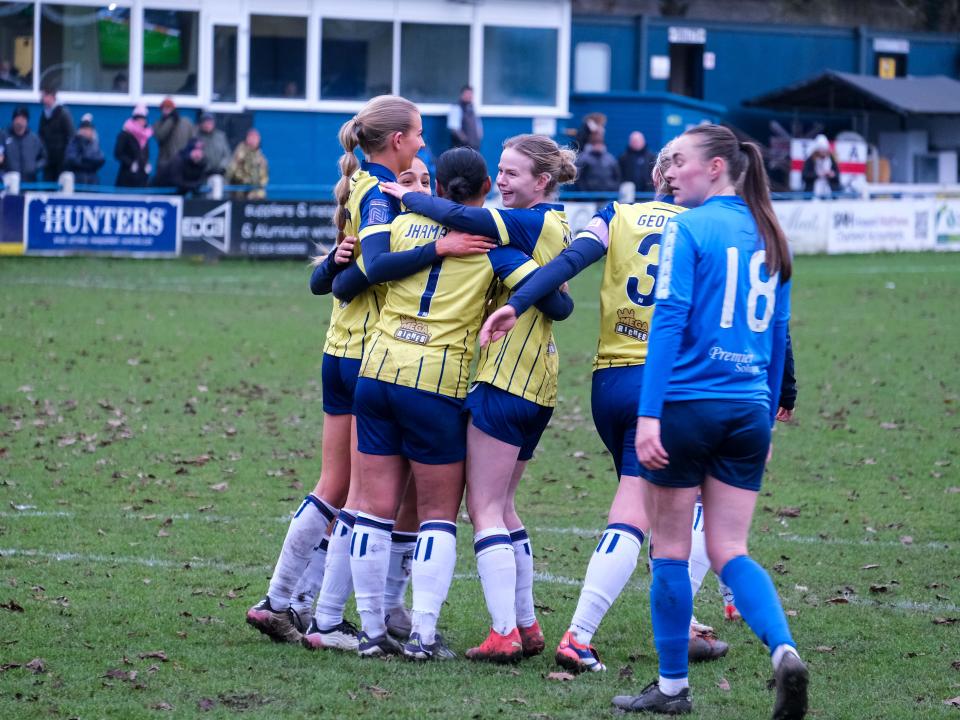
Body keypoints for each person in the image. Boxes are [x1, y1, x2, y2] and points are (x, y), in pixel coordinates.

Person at [332, 146, 573, 662]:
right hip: (436, 383)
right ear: (485, 186)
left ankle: (371, 631)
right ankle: (422, 636)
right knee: (439, 515)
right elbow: (555, 302)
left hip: (376, 373)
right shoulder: (489, 244)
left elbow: (341, 281)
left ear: (437, 187)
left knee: (372, 511)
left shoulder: (398, 228)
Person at [616, 124, 806, 717]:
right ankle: (784, 652)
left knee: (670, 551)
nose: (670, 173)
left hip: (688, 408)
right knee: (730, 548)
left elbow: (667, 322)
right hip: (748, 409)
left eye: (681, 163)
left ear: (718, 168)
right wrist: (767, 419)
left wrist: (648, 416)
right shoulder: (771, 234)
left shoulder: (689, 227)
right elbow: (778, 337)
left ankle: (672, 688)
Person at [152, 97, 194, 185]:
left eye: (169, 108)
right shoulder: (158, 124)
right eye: (164, 108)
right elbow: (160, 136)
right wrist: (170, 121)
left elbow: (193, 140)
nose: (166, 110)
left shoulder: (186, 122)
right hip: (165, 163)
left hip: (183, 163)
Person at [38, 87, 74, 183]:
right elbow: (40, 135)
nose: (42, 98)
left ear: (52, 96)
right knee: (48, 185)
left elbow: (71, 135)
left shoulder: (63, 113)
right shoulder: (44, 114)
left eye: (44, 95)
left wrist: (67, 156)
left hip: (61, 159)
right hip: (48, 158)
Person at [3, 107, 47, 183]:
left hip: (30, 183)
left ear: (27, 121)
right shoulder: (4, 137)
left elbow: (44, 158)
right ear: (13, 120)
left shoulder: (34, 139)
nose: (19, 122)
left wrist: (34, 167)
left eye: (23, 119)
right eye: (17, 118)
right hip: (9, 183)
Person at [114, 104, 153, 188]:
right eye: (139, 119)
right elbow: (118, 153)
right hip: (127, 177)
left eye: (143, 119)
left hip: (142, 176)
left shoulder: (145, 135)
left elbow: (145, 152)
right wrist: (130, 163)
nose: (141, 122)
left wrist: (146, 163)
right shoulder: (125, 134)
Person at [226, 129, 269, 199]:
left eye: (256, 138)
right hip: (241, 188)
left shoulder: (260, 156)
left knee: (260, 194)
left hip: (256, 190)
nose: (254, 140)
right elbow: (234, 171)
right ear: (247, 138)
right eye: (251, 137)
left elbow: (264, 175)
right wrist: (246, 181)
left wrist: (261, 184)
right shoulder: (240, 152)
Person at [63, 114, 105, 186]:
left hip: (92, 181)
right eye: (85, 129)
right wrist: (87, 162)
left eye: (89, 130)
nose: (87, 132)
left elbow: (100, 159)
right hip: (77, 180)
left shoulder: (94, 143)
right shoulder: (74, 142)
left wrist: (85, 161)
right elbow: (71, 159)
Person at [575, 127, 620, 192]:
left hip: (607, 194)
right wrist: (584, 190)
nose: (598, 146)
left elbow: (617, 176)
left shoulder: (610, 159)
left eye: (600, 143)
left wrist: (613, 187)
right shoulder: (584, 159)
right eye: (596, 144)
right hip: (588, 195)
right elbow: (579, 177)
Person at [801, 134, 839, 198]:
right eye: (821, 149)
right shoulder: (810, 160)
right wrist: (818, 174)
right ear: (817, 150)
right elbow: (804, 175)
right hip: (813, 191)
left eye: (824, 149)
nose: (823, 151)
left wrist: (832, 174)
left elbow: (838, 175)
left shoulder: (831, 159)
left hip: (829, 192)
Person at [195, 112, 231, 180]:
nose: (208, 125)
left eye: (210, 122)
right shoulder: (196, 137)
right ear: (201, 124)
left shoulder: (221, 136)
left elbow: (227, 155)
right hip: (202, 174)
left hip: (219, 174)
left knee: (217, 180)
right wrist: (208, 169)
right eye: (205, 122)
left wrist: (221, 168)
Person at [447, 85, 482, 150]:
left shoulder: (472, 108)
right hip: (460, 147)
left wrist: (477, 138)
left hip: (474, 147)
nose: (469, 96)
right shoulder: (456, 108)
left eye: (471, 94)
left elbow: (478, 126)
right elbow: (454, 129)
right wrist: (465, 141)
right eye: (467, 94)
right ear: (462, 94)